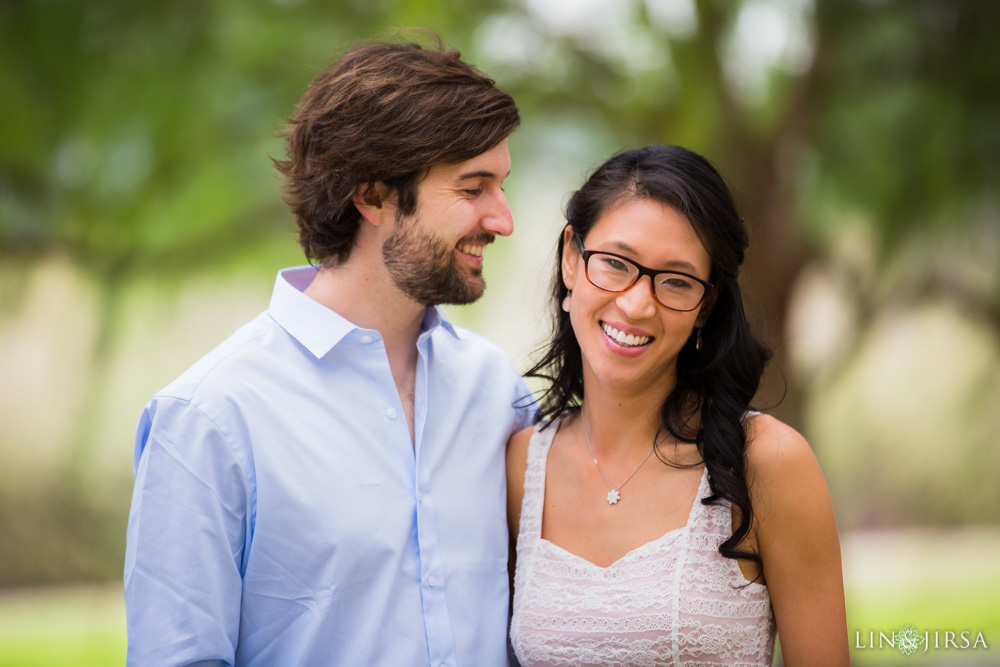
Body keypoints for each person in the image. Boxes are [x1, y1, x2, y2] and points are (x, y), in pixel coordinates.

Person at [124, 35, 534, 667]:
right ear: (371, 196)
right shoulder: (208, 419)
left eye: (501, 186)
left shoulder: (496, 389)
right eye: (474, 188)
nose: (503, 219)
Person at [507, 145, 849, 665]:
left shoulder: (766, 461)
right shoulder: (520, 466)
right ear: (572, 259)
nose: (637, 304)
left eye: (676, 281)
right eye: (616, 264)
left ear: (705, 306)